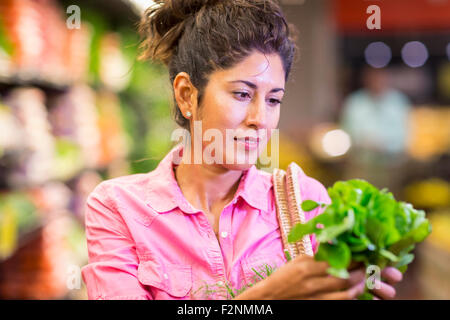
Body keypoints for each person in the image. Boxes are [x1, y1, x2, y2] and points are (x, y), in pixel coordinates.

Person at [81, 0, 402, 300]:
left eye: (274, 100)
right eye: (242, 94)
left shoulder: (306, 202)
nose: (260, 120)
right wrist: (266, 296)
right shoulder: (118, 209)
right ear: (187, 95)